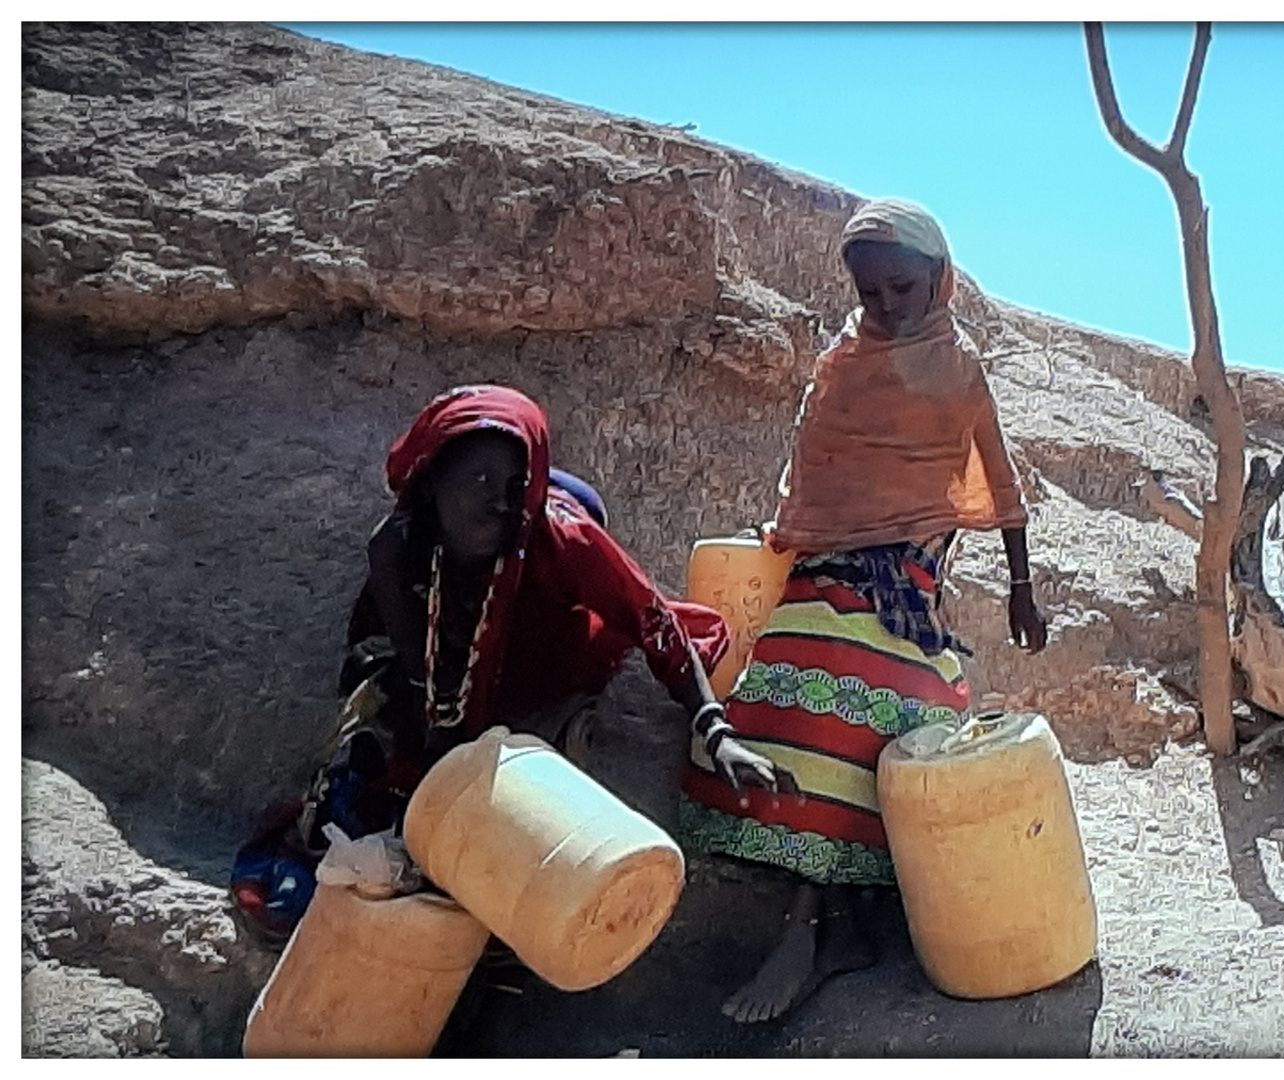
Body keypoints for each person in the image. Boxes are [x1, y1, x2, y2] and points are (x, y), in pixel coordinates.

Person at [676, 198, 1048, 1024]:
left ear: (939, 280)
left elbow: (1002, 487)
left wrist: (1023, 589)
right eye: (870, 290)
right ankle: (826, 924)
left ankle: (810, 933)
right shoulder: (843, 362)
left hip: (906, 589)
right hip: (825, 570)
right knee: (783, 680)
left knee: (876, 695)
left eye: (903, 288)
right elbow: (814, 468)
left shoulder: (959, 369)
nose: (886, 306)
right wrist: (791, 534)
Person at [230, 385, 731, 938]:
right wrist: (425, 704)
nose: (500, 500)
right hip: (443, 646)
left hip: (539, 652)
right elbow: (408, 661)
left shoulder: (556, 540)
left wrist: (713, 726)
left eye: (517, 486)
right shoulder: (400, 547)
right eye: (481, 480)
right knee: (371, 777)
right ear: (434, 479)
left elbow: (652, 618)